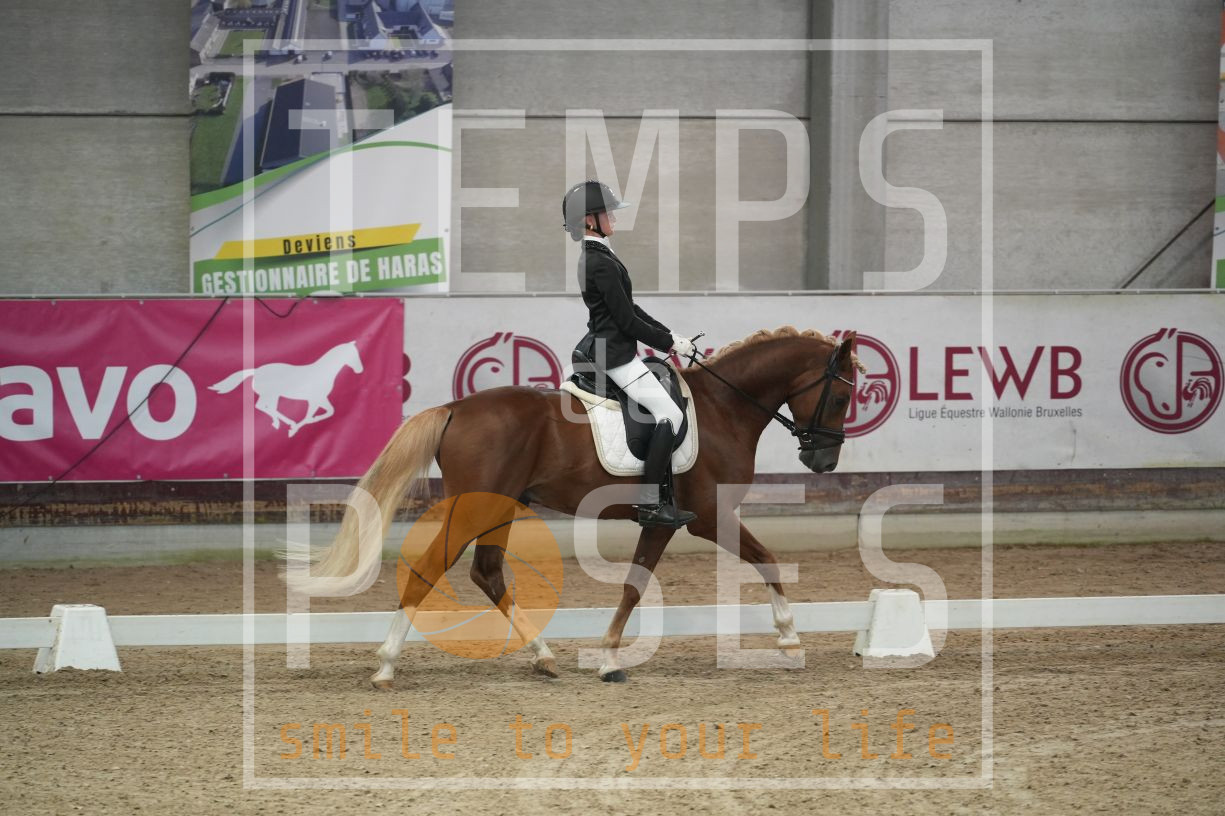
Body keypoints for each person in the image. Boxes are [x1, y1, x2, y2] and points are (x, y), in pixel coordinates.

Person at [563, 180, 699, 529]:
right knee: (671, 414)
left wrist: (671, 336)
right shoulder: (600, 263)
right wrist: (669, 344)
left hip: (607, 347)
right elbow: (626, 321)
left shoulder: (600, 256)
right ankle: (650, 503)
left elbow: (630, 308)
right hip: (614, 355)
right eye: (607, 213)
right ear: (589, 220)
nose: (613, 218)